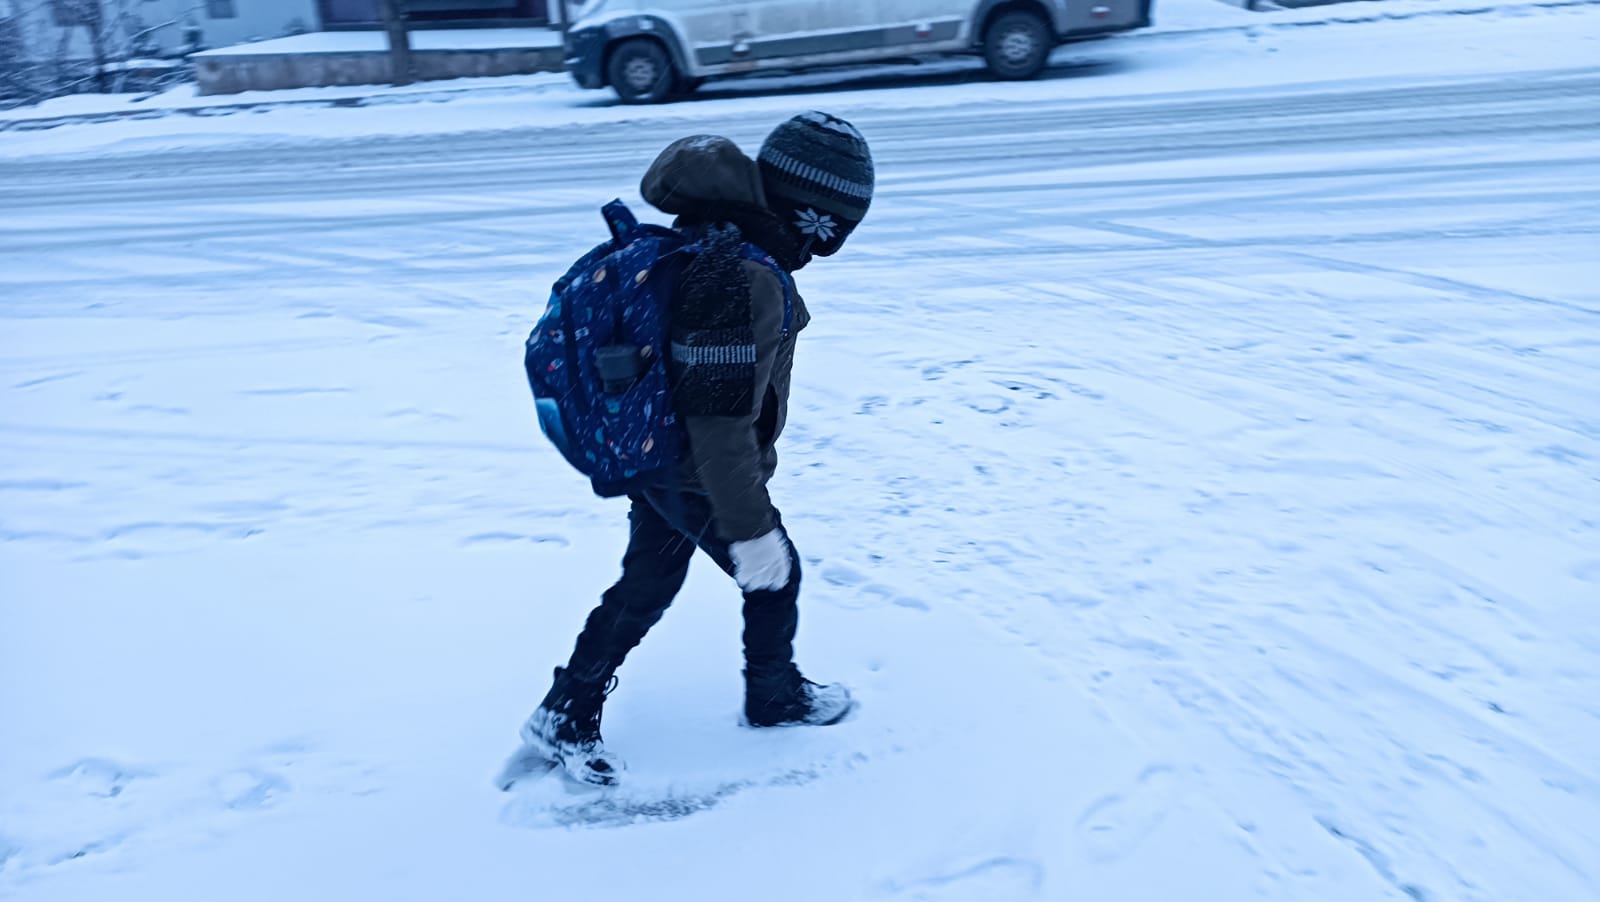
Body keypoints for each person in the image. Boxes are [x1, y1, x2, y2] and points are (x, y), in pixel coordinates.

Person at [520, 112, 875, 786]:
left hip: (661, 457)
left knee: (649, 580)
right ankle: (774, 697)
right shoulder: (740, 276)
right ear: (814, 216)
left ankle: (566, 710)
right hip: (694, 469)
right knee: (775, 575)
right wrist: (751, 530)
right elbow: (719, 422)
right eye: (836, 230)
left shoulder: (722, 239)